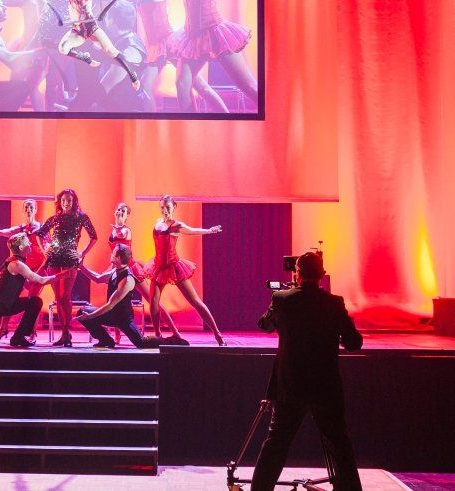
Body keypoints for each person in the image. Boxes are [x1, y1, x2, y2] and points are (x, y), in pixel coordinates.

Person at [251, 252, 364, 491]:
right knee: (339, 444)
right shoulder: (334, 302)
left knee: (276, 444)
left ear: (297, 273)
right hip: (325, 386)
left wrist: (280, 308)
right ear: (322, 275)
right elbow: (354, 343)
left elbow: (265, 326)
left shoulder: (282, 298)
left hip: (290, 385)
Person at [127, 0, 228, 113]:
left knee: (199, 85)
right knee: (146, 87)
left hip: (168, 42)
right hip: (155, 46)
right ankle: (153, 122)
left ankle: (225, 114)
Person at [39, 0, 141, 89]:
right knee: (63, 48)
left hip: (90, 27)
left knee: (111, 51)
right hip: (77, 29)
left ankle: (133, 76)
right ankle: (86, 58)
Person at [148, 195, 225, 345]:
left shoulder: (176, 225)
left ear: (174, 207)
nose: (165, 210)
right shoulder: (158, 222)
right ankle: (157, 335)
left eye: (168, 207)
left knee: (195, 301)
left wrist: (209, 230)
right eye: (162, 207)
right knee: (153, 300)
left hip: (173, 266)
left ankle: (218, 334)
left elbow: (192, 231)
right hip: (158, 267)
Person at [0, 199, 47, 343]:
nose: (29, 210)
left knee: (34, 298)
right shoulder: (20, 230)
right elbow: (1, 232)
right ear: (23, 210)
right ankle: (3, 328)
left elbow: (47, 248)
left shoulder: (42, 229)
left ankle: (31, 333)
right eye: (26, 208)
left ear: (36, 210)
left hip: (39, 268)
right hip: (23, 268)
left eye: (31, 207)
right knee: (11, 297)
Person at [108, 202, 182, 342]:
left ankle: (175, 332)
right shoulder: (113, 230)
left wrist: (119, 223)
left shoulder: (125, 230)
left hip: (131, 270)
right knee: (115, 302)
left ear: (127, 215)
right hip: (118, 270)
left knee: (153, 300)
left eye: (123, 211)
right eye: (118, 209)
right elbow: (113, 254)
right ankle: (117, 336)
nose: (120, 212)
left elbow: (122, 243)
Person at [34, 188, 97, 347]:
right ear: (60, 202)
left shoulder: (81, 217)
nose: (66, 203)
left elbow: (94, 237)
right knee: (58, 298)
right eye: (63, 200)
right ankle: (64, 334)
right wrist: (45, 250)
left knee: (65, 297)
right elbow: (39, 234)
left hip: (70, 259)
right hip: (54, 259)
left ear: (74, 201)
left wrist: (82, 253)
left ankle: (67, 332)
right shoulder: (55, 218)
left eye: (69, 200)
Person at [76, 244, 154, 348]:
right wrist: (81, 267)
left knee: (142, 344)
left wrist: (90, 316)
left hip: (123, 319)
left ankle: (165, 342)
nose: (111, 254)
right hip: (110, 315)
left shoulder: (127, 279)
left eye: (113, 253)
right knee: (82, 311)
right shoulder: (115, 271)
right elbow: (98, 278)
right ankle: (106, 340)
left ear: (119, 258)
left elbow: (110, 305)